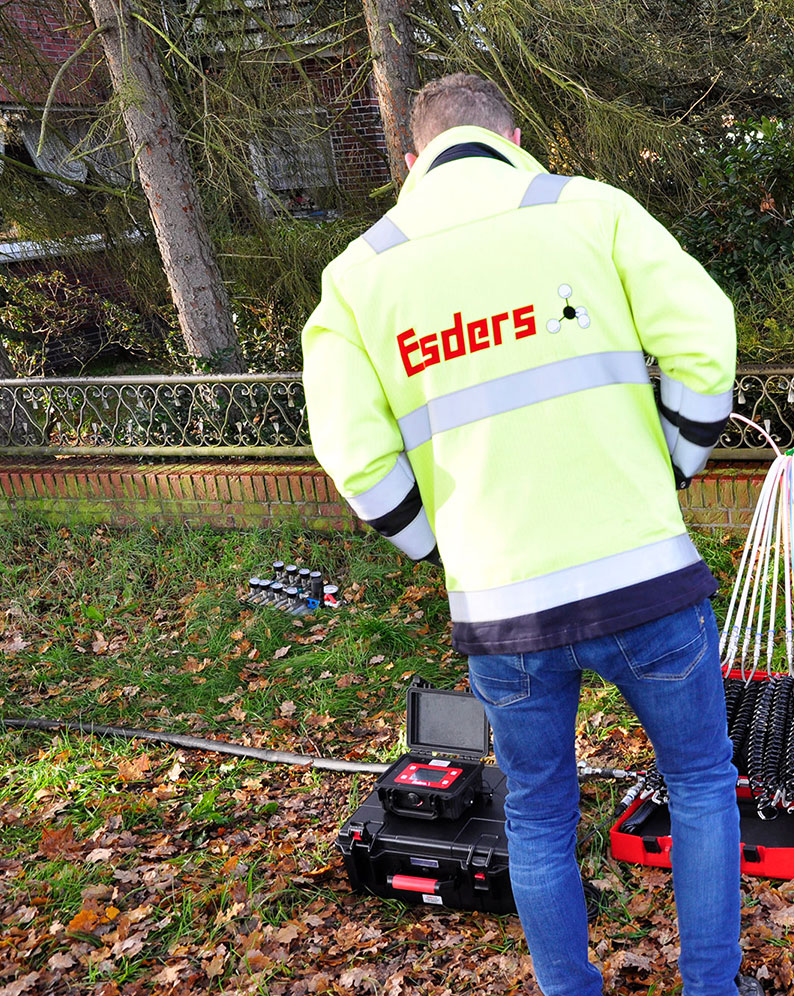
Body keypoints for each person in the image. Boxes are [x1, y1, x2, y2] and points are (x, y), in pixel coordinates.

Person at [302, 74, 759, 996]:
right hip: (645, 581)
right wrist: (673, 464)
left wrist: (438, 547)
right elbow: (706, 337)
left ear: (410, 160)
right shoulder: (591, 211)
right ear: (512, 135)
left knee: (539, 819)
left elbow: (353, 455)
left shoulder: (357, 277)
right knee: (704, 786)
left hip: (503, 608)